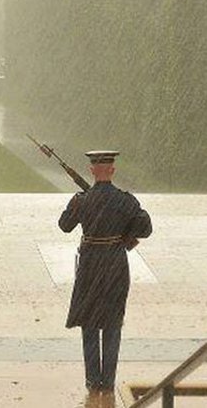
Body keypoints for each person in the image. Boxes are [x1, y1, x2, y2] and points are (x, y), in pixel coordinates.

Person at [59, 150, 152, 394]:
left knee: (89, 322)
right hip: (114, 263)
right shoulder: (125, 200)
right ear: (112, 170)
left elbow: (64, 226)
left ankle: (92, 380)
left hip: (90, 264)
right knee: (112, 322)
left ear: (91, 171)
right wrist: (125, 235)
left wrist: (77, 203)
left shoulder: (82, 199)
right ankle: (108, 381)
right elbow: (146, 227)